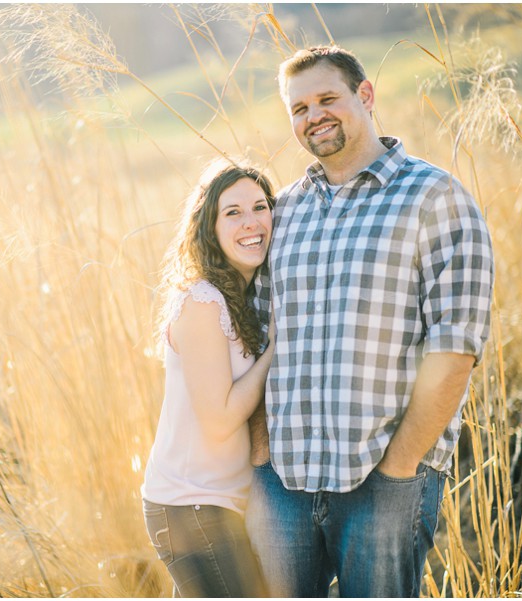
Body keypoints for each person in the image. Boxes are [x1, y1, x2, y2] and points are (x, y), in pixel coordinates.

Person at [245, 45, 495, 598]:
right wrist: (260, 458)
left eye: (327, 99)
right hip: (284, 482)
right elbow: (255, 337)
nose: (313, 117)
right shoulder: (282, 211)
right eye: (299, 108)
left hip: (384, 480)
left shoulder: (435, 199)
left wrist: (401, 468)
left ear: (366, 95)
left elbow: (455, 349)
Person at [141, 159, 275, 597]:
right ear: (209, 228)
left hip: (217, 504)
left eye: (260, 207)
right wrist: (274, 352)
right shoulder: (202, 301)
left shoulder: (242, 298)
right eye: (232, 212)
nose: (251, 222)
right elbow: (218, 420)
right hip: (188, 505)